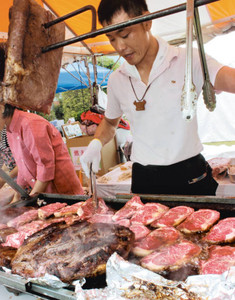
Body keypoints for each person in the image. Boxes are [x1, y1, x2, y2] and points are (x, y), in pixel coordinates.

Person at [80, 0, 235, 196]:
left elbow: (230, 79)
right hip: (145, 178)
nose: (119, 47)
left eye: (125, 35)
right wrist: (96, 143)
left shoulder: (188, 60)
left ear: (147, 22)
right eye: (111, 39)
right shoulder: (116, 79)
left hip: (189, 174)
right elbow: (110, 123)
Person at [0, 104, 84, 203]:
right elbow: (22, 167)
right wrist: (17, 198)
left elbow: (45, 167)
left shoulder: (31, 123)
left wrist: (30, 201)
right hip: (45, 194)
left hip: (63, 194)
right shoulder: (10, 130)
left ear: (1, 108)